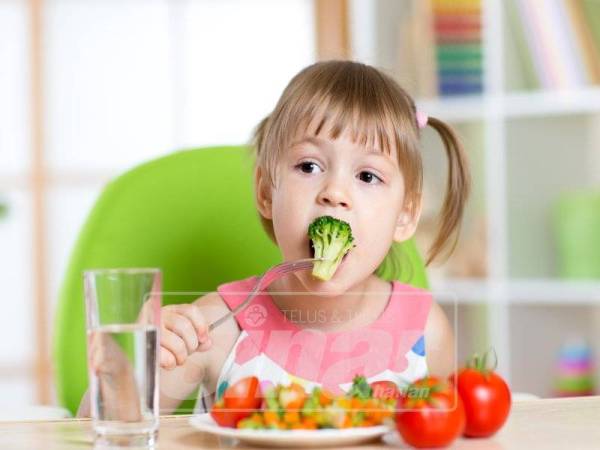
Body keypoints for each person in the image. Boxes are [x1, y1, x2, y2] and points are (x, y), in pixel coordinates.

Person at [78, 60, 470, 417]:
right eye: (309, 165)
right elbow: (104, 430)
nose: (334, 192)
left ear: (405, 215)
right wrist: (135, 358)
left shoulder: (425, 330)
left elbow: (448, 432)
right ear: (267, 193)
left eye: (368, 176)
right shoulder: (218, 326)